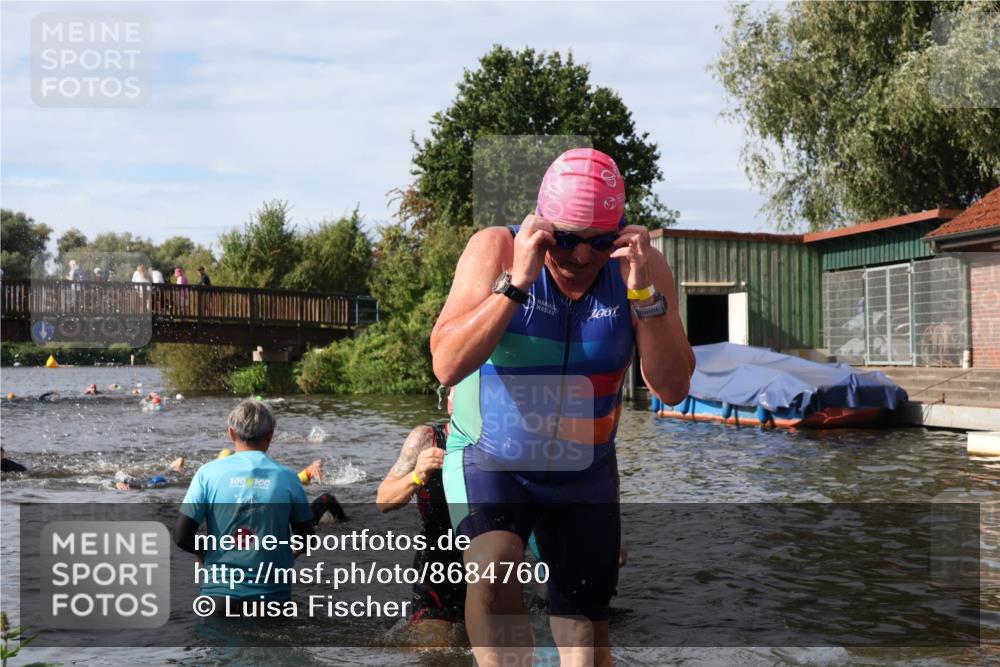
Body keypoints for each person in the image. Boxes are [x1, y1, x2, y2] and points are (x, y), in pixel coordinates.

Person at [430, 147, 694, 666]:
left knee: (585, 638)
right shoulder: (497, 250)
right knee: (494, 565)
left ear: (619, 231)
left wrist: (644, 297)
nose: (579, 257)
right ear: (540, 226)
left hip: (585, 470)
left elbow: (673, 388)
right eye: (565, 240)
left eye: (598, 242)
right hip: (491, 459)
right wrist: (516, 285)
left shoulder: (637, 267)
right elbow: (446, 364)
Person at [173, 400, 315, 608]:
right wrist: (287, 558)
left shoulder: (207, 473)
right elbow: (306, 540)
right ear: (271, 435)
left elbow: (181, 536)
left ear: (231, 433)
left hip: (218, 597)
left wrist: (205, 552)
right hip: (272, 598)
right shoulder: (288, 478)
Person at [376, 390, 465, 647]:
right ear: (449, 403)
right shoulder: (426, 439)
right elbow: (383, 500)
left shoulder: (506, 443)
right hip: (438, 566)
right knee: (433, 651)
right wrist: (416, 475)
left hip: (489, 567)